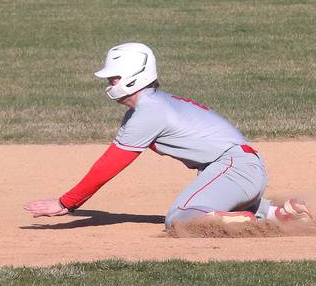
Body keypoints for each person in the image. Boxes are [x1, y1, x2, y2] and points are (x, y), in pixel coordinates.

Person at [25, 42, 313, 230]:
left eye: (113, 78)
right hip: (238, 169)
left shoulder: (149, 111)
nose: (110, 84)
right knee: (208, 207)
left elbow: (109, 165)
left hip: (232, 169)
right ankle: (280, 214)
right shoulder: (152, 106)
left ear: (132, 76)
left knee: (181, 219)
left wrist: (66, 202)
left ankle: (249, 220)